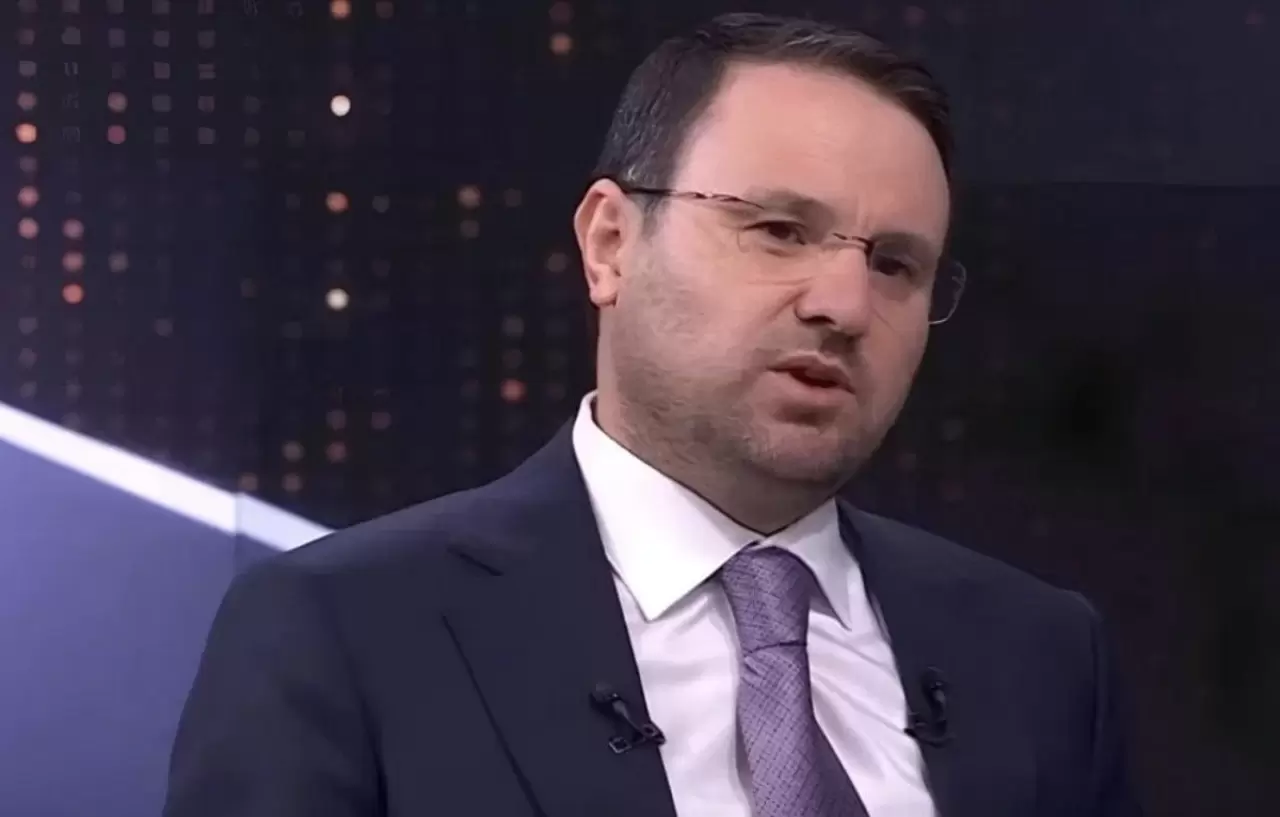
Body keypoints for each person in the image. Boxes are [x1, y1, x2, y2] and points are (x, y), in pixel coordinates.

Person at [164, 12, 1142, 817]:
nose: (844, 306)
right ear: (609, 243)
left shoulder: (1041, 655)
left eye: (894, 264)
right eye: (777, 229)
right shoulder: (343, 631)